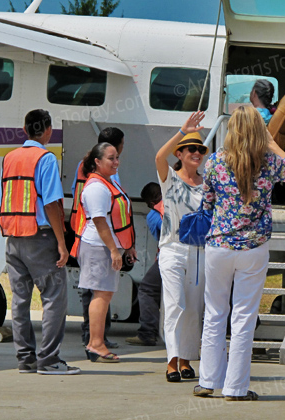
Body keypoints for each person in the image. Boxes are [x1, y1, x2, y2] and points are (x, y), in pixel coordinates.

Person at [193, 106, 285, 401]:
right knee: (243, 318)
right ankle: (235, 387)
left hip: (219, 246)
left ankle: (207, 381)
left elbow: (208, 203)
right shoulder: (268, 163)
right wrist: (270, 141)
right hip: (253, 246)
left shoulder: (214, 162)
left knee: (214, 314)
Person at [0, 109, 80, 375]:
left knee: (19, 300)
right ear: (47, 131)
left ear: (24, 129)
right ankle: (50, 360)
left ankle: (26, 359)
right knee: (54, 297)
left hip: (13, 238)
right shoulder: (46, 159)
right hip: (40, 237)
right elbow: (53, 203)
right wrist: (61, 243)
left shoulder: (10, 158)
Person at [155, 112, 209, 382]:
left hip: (200, 251)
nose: (196, 153)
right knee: (175, 303)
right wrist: (182, 130)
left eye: (200, 149)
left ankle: (187, 360)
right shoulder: (171, 179)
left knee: (193, 308)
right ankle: (172, 361)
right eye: (191, 149)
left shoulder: (207, 184)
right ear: (181, 153)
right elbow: (158, 157)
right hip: (173, 248)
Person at [71, 142, 137, 363]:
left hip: (105, 246)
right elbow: (100, 222)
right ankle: (95, 343)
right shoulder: (96, 187)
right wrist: (113, 250)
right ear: (97, 162)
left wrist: (125, 246)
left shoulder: (106, 183)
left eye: (117, 157)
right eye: (111, 158)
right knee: (101, 295)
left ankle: (96, 342)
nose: (116, 162)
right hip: (98, 247)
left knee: (104, 294)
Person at [126, 182, 164, 346]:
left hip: (169, 257)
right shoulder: (178, 202)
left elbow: (161, 237)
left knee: (147, 289)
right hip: (197, 256)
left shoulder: (154, 215)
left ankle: (147, 333)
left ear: (149, 203)